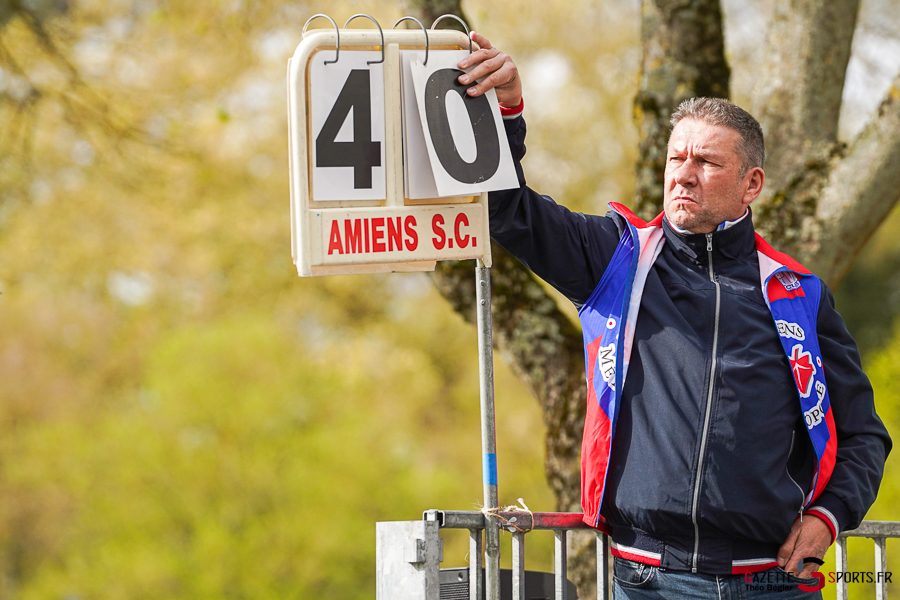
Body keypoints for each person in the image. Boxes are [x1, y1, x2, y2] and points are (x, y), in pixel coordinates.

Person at [457, 32, 892, 599]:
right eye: (676, 157)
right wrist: (507, 110)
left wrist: (830, 517)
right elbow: (504, 205)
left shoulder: (799, 293)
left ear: (750, 185)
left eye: (707, 161)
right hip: (647, 580)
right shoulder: (617, 259)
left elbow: (864, 435)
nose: (683, 173)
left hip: (773, 582)